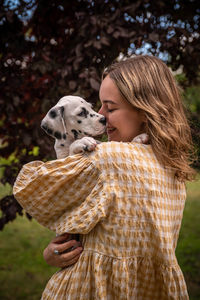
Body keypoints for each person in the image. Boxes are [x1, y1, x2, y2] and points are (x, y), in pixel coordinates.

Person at [13, 55, 195, 299]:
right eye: (98, 106)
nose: (100, 115)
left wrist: (52, 254)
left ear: (145, 110)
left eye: (110, 108)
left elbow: (33, 189)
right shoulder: (174, 168)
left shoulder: (107, 159)